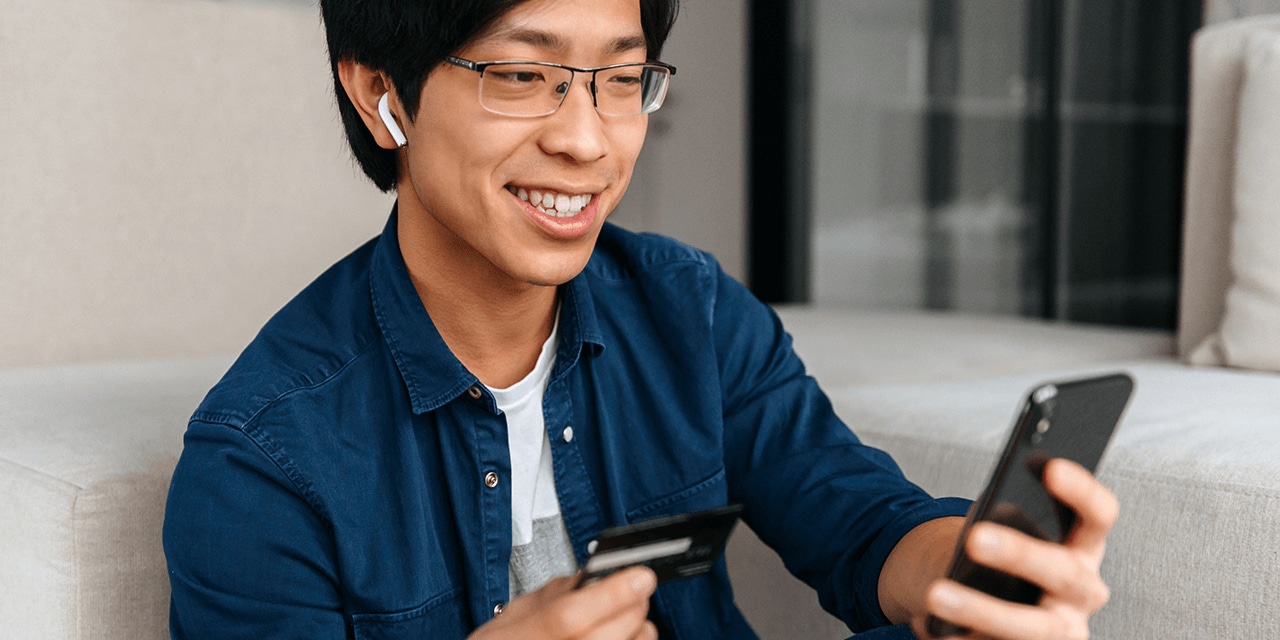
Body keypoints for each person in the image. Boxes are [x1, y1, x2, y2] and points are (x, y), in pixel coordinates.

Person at [162, 0, 1119, 638]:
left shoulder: (688, 313)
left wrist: (965, 574)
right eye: (521, 75)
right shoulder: (259, 461)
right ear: (380, 96)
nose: (587, 140)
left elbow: (865, 524)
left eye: (622, 80)